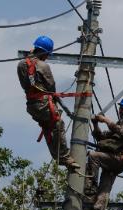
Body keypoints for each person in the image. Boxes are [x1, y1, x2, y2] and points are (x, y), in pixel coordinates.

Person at [17, 35, 80, 169]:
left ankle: (58, 156)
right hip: (43, 103)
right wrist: (53, 99)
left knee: (48, 127)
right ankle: (64, 157)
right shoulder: (43, 66)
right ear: (45, 52)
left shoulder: (21, 64)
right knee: (58, 125)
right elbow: (51, 87)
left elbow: (26, 83)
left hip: (32, 105)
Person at [85, 96, 123, 210]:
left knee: (94, 156)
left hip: (119, 159)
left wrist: (105, 120)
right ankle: (98, 208)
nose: (120, 111)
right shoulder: (119, 124)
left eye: (122, 108)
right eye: (120, 108)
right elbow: (101, 136)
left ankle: (90, 188)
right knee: (107, 180)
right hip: (113, 160)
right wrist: (95, 124)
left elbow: (121, 131)